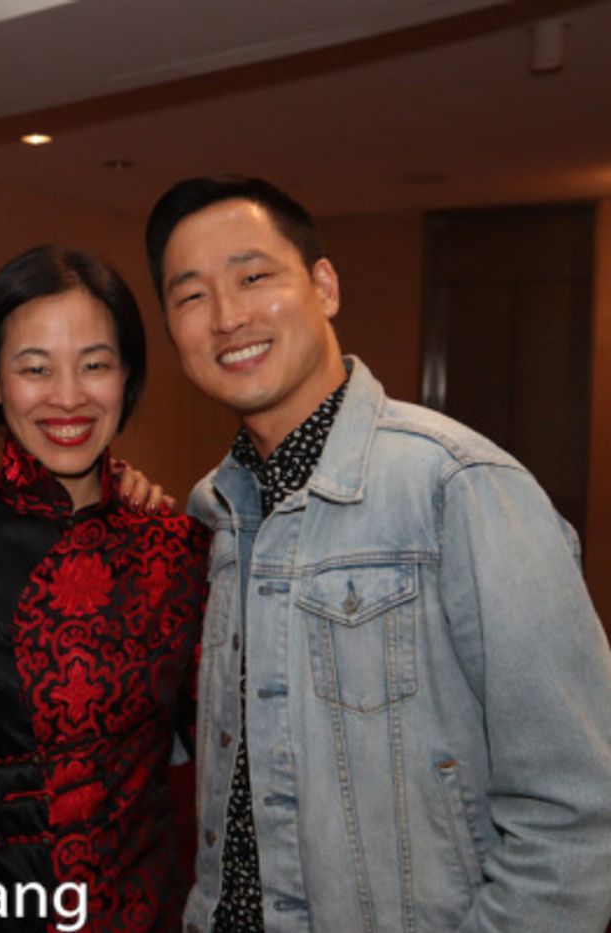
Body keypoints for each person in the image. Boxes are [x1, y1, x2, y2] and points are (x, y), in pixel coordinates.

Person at [144, 174, 611, 933]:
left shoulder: (457, 485)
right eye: (192, 296)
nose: (227, 317)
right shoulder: (216, 514)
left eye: (253, 277)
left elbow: (578, 810)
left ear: (324, 286)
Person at [0, 245, 210, 931]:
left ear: (128, 376)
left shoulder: (180, 550)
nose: (69, 396)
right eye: (35, 367)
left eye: (95, 364)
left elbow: (224, 759)